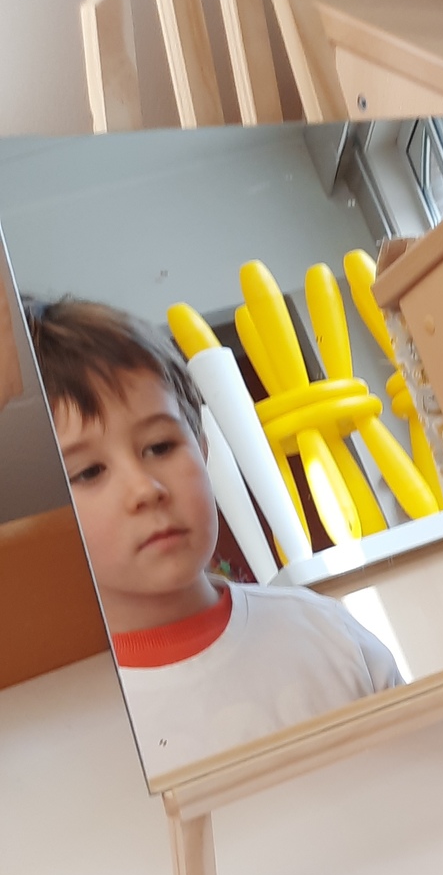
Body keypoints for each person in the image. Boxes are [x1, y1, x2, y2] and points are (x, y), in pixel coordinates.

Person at [26, 297, 401, 775]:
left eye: (160, 446)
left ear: (202, 448)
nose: (145, 489)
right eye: (88, 472)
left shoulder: (328, 633)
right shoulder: (47, 733)